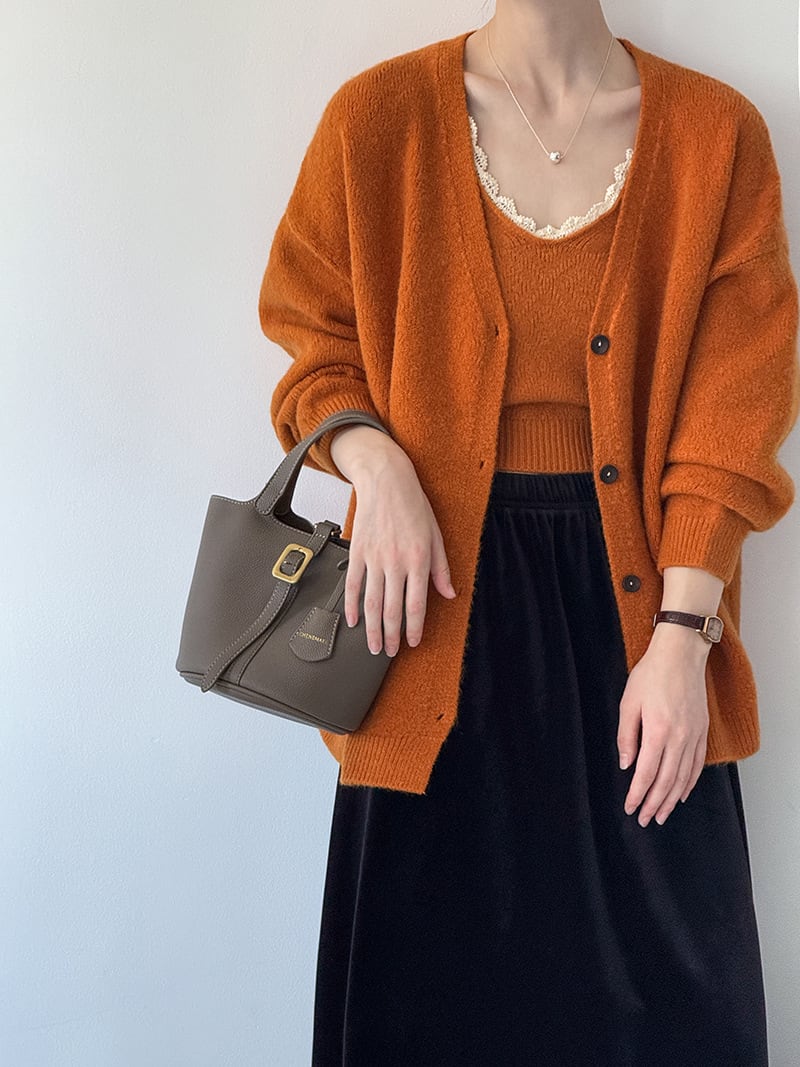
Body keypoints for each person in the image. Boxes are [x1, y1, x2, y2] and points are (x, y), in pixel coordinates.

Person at [258, 3, 800, 1063]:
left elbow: (734, 409)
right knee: (424, 1006)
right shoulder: (376, 121)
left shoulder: (714, 134)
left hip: (642, 614)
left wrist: (683, 636)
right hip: (420, 614)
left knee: (678, 1008)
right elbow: (312, 338)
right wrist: (380, 466)